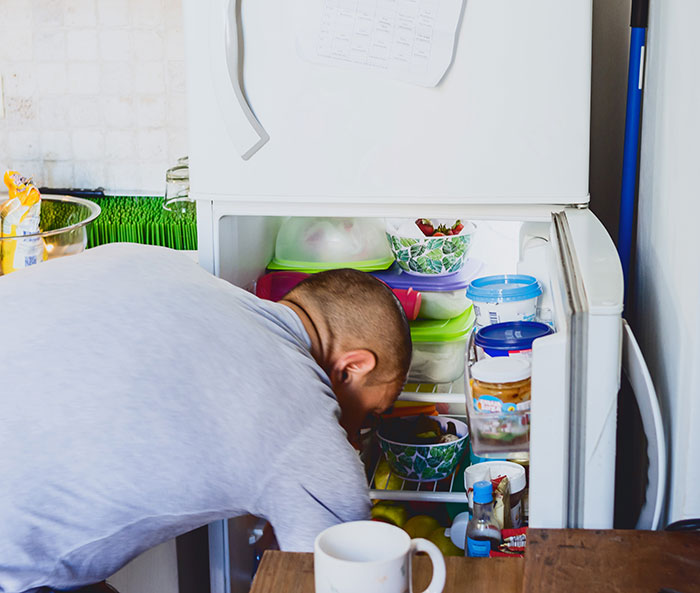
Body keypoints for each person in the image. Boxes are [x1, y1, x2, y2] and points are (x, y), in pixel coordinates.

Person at [0, 243, 412, 593]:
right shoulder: (306, 426)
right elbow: (354, 575)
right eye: (369, 415)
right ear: (350, 367)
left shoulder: (159, 260)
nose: (356, 440)